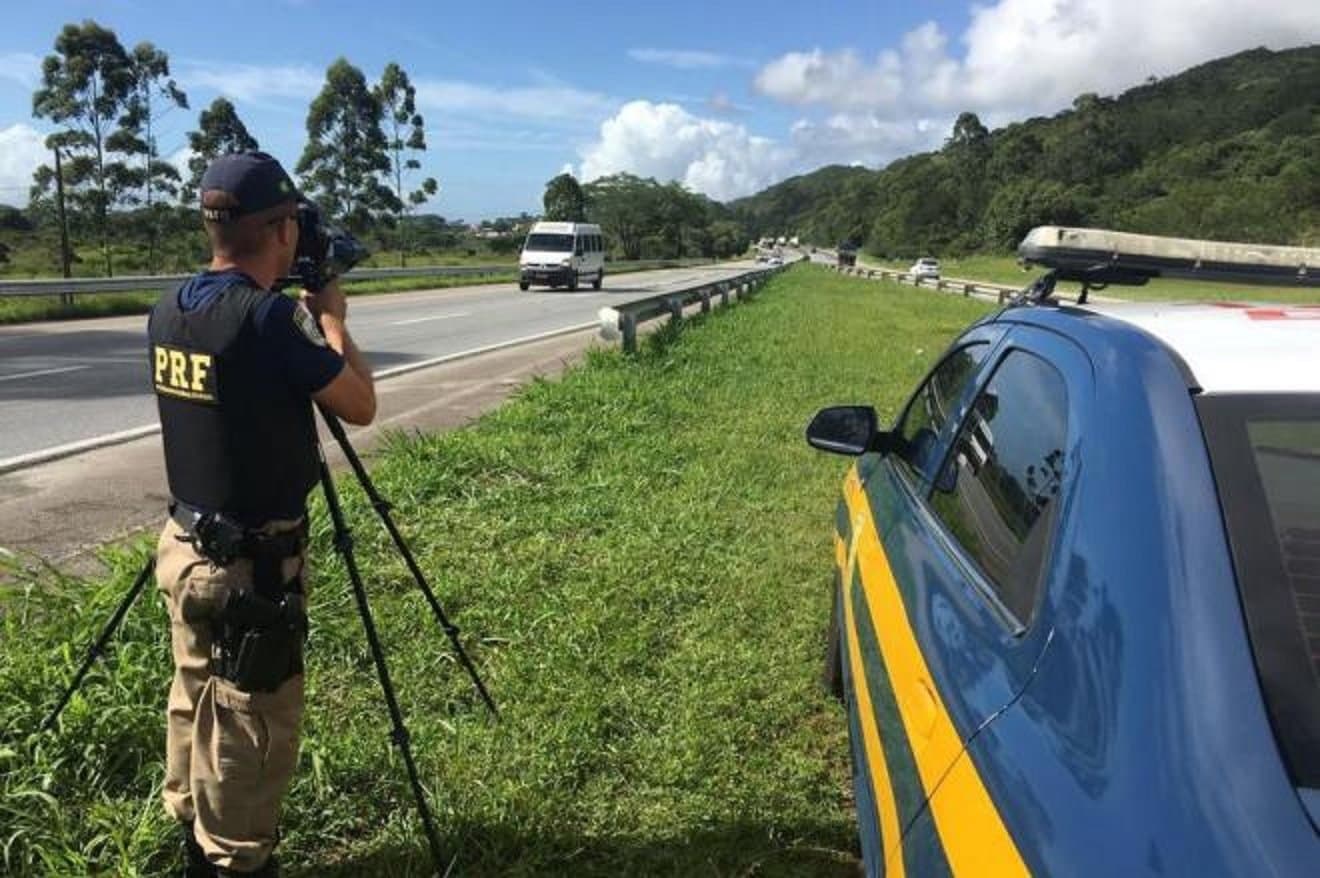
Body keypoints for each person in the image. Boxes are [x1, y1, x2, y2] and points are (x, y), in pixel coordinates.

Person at [147, 151, 376, 876]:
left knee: (193, 694)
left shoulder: (170, 308)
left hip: (185, 546)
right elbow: (360, 405)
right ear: (280, 230)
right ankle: (233, 859)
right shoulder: (272, 321)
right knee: (251, 727)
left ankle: (191, 831)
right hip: (254, 572)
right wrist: (331, 318)